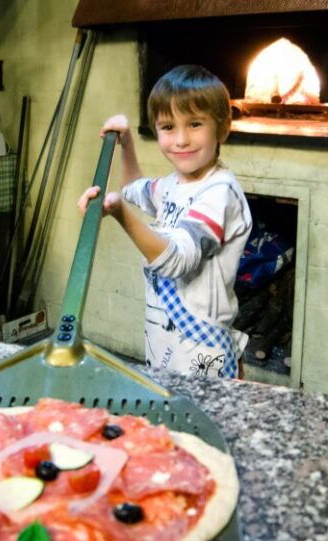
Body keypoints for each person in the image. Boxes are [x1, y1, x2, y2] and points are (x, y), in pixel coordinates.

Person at [78, 65, 252, 378]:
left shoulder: (219, 192)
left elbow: (177, 261)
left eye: (195, 124)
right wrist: (126, 143)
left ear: (222, 128)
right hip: (163, 340)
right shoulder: (171, 185)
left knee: (204, 410)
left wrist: (120, 214)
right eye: (168, 127)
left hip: (201, 350)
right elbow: (133, 189)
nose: (181, 140)